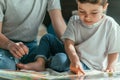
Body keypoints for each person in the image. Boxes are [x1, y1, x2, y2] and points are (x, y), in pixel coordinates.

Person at [0, 0, 67, 70]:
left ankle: (38, 64)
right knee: (6, 66)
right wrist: (9, 45)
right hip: (5, 46)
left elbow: (58, 19)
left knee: (62, 61)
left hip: (31, 47)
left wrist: (72, 48)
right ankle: (15, 64)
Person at [61, 0, 120, 75]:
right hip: (74, 58)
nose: (87, 17)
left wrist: (110, 66)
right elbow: (68, 43)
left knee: (60, 60)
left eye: (94, 13)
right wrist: (74, 60)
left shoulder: (110, 24)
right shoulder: (74, 20)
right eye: (82, 11)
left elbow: (114, 50)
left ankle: (50, 58)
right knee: (48, 38)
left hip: (89, 65)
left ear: (104, 7)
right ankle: (43, 59)